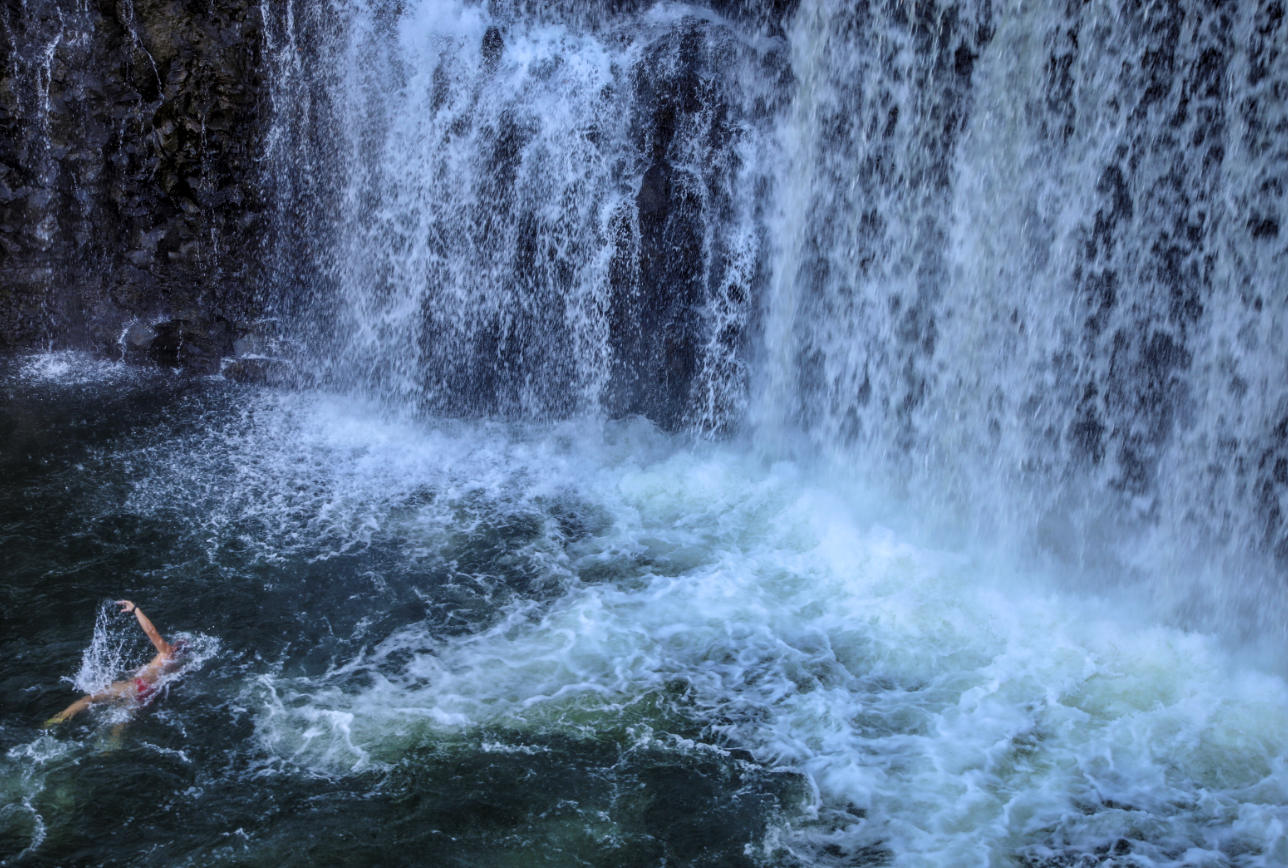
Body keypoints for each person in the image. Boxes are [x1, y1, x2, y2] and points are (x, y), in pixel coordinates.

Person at [45, 600, 188, 726]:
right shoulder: (175, 665)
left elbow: (151, 631)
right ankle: (111, 747)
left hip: (136, 686)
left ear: (175, 647)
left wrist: (135, 609)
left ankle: (60, 718)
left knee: (91, 698)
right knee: (120, 717)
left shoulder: (167, 652)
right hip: (148, 693)